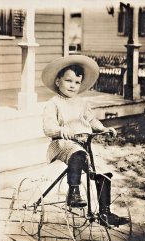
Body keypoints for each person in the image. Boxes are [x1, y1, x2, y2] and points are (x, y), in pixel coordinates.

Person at [42, 55, 119, 226]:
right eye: (68, 81)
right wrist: (64, 131)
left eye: (77, 82)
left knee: (102, 173)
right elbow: (48, 128)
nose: (72, 85)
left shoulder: (81, 103)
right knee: (77, 153)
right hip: (62, 143)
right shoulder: (53, 103)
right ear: (57, 81)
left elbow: (91, 120)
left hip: (84, 144)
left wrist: (103, 129)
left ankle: (105, 212)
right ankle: (74, 192)